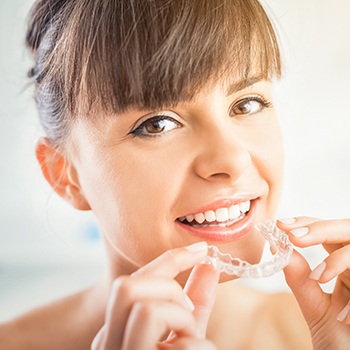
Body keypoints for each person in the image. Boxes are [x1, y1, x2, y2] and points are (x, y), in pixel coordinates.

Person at [1, 0, 349, 348]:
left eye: (246, 104)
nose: (231, 159)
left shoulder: (332, 332)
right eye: (157, 124)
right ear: (66, 175)